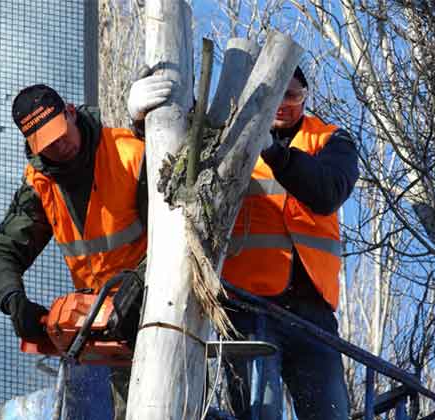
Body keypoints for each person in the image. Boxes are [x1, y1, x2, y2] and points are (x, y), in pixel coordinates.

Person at [128, 65, 358, 419]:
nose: (283, 105)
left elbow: (326, 192)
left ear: (306, 97)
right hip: (247, 308)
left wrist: (275, 153)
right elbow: (172, 171)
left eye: (293, 96)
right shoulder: (226, 142)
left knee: (330, 411)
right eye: (275, 97)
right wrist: (143, 123)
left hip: (313, 311)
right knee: (258, 412)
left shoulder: (330, 140)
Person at [0, 81, 169, 420]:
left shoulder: (130, 154)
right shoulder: (41, 184)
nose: (59, 145)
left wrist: (140, 283)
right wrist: (14, 300)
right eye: (46, 143)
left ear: (70, 111)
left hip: (156, 309)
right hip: (96, 329)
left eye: (60, 132)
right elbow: (2, 251)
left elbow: (174, 235)